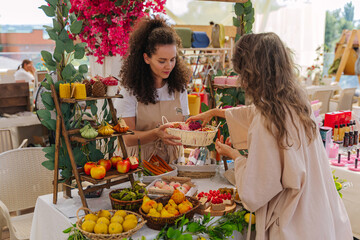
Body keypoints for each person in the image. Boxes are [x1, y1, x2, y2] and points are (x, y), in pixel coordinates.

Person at [186, 33, 352, 239]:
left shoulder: (266, 121)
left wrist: (236, 157)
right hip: (319, 211)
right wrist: (213, 113)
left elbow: (257, 190)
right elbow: (253, 112)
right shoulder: (297, 101)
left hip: (295, 222)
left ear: (250, 73)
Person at [114, 16, 191, 163]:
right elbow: (128, 138)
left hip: (173, 162)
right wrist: (156, 133)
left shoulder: (179, 89)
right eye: (162, 61)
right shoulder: (130, 91)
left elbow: (183, 129)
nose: (168, 66)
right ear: (146, 58)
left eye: (172, 59)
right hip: (139, 164)